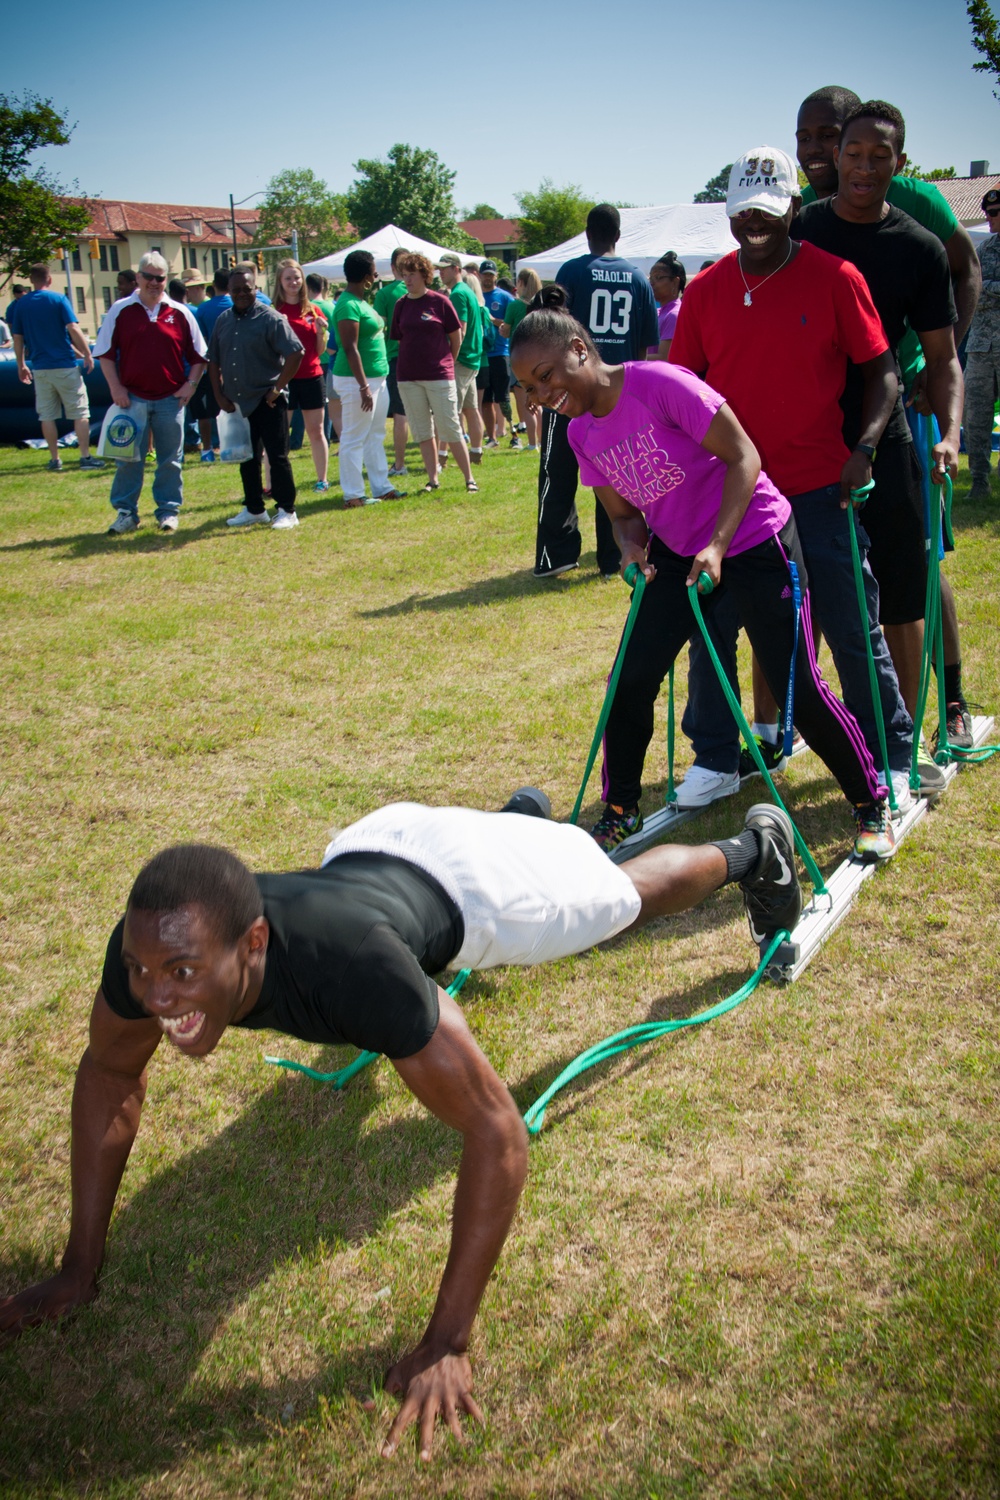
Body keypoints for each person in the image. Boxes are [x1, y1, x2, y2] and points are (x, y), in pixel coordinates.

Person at [0, 789, 802, 1458]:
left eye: (181, 973)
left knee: (622, 899)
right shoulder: (148, 945)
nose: (157, 996)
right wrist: (78, 1269)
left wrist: (448, 1342)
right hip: (373, 845)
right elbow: (110, 1073)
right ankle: (520, 814)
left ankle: (750, 851)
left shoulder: (352, 968)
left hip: (473, 886)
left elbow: (497, 1133)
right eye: (144, 972)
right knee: (393, 998)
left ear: (251, 943)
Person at [511, 292, 892, 861]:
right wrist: (631, 549)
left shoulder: (662, 384)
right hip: (678, 552)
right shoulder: (579, 435)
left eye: (545, 377)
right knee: (629, 681)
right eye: (530, 389)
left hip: (756, 538)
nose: (543, 396)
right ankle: (619, 811)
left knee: (798, 688)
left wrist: (717, 546)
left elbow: (745, 458)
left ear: (578, 348)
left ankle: (871, 802)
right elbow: (622, 516)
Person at [669, 147, 910, 828]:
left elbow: (882, 372)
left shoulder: (835, 277)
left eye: (769, 212)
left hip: (817, 487)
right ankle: (716, 757)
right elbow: (684, 392)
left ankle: (889, 748)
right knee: (715, 627)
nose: (755, 224)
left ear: (794, 209)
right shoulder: (707, 288)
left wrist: (863, 448)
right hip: (734, 495)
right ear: (729, 213)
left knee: (848, 623)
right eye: (744, 212)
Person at [795, 85, 980, 754]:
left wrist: (953, 430)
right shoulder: (803, 230)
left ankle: (912, 731)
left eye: (881, 156)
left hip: (889, 428)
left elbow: (942, 355)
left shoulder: (921, 242)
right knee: (812, 585)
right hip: (810, 435)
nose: (864, 166)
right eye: (853, 153)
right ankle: (803, 725)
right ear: (838, 155)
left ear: (900, 164)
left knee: (908, 579)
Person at [533, 204, 659, 580]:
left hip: (566, 389)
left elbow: (550, 332)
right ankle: (612, 558)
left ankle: (556, 556)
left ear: (587, 234)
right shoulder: (639, 279)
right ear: (619, 236)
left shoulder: (571, 271)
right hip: (614, 393)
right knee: (619, 474)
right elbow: (643, 349)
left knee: (558, 471)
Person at [94, 252, 207, 533]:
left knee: (171, 460)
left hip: (171, 399)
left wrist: (190, 386)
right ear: (139, 277)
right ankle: (125, 513)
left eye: (160, 278)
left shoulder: (180, 312)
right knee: (128, 459)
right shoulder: (121, 310)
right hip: (130, 399)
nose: (154, 283)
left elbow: (200, 356)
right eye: (149, 277)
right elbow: (105, 354)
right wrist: (116, 388)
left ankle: (168, 511)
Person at [208, 263, 303, 530]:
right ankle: (254, 508)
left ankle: (287, 510)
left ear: (255, 289)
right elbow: (212, 360)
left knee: (277, 456)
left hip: (267, 399)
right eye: (236, 290)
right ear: (228, 291)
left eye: (247, 289)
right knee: (246, 456)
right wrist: (219, 395)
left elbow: (296, 353)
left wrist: (277, 388)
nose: (241, 294)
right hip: (237, 402)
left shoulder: (270, 318)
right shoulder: (223, 320)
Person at [390, 253, 478, 494]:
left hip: (440, 374)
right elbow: (400, 338)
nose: (407, 280)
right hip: (408, 377)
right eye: (404, 275)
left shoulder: (440, 301)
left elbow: (455, 336)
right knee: (422, 431)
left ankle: (469, 478)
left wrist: (449, 360)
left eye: (412, 274)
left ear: (424, 275)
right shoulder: (401, 304)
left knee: (450, 428)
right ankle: (433, 478)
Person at [8, 263, 104, 472]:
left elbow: (18, 338)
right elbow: (73, 328)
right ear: (49, 279)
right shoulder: (59, 299)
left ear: (31, 280)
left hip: (40, 367)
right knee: (80, 413)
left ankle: (55, 459)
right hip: (65, 365)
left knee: (47, 415)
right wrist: (87, 353)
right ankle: (85, 457)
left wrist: (21, 365)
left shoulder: (21, 305)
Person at [330, 250, 402, 508]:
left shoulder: (361, 302)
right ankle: (353, 494)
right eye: (373, 270)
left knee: (374, 435)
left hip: (376, 378)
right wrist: (363, 387)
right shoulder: (348, 304)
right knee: (353, 436)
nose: (376, 273)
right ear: (366, 277)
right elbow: (349, 347)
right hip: (356, 381)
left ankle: (381, 487)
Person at [273, 258, 329, 494]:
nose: (293, 282)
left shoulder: (313, 310)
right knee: (277, 434)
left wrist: (320, 332)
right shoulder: (273, 311)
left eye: (297, 278)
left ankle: (322, 480)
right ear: (280, 282)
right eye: (288, 278)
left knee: (316, 431)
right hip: (284, 379)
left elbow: (320, 350)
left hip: (312, 376)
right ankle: (272, 483)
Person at [963, 187, 1000, 501]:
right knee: (975, 417)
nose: (989, 218)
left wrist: (987, 289)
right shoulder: (983, 251)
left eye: (995, 212)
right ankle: (979, 482)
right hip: (980, 348)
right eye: (987, 212)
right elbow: (971, 292)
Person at [436, 253, 485, 464]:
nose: (440, 272)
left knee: (449, 412)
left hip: (461, 359)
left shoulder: (457, 294)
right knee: (471, 409)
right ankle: (476, 451)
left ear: (457, 269)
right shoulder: (466, 290)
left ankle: (442, 456)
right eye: (439, 268)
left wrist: (450, 358)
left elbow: (460, 331)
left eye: (444, 268)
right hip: (471, 358)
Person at [373, 247, 411, 478]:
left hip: (395, 357)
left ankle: (399, 464)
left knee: (400, 413)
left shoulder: (385, 294)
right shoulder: (425, 291)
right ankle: (438, 461)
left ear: (392, 268)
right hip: (421, 358)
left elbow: (379, 328)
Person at [178, 269, 219, 460]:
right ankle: (207, 446)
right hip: (206, 367)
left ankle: (207, 447)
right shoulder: (198, 309)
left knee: (204, 411)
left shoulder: (199, 310)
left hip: (204, 367)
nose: (189, 293)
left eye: (192, 289)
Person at [500, 268, 542, 450]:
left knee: (525, 402)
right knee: (540, 403)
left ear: (522, 283)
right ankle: (541, 440)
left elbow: (506, 330)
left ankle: (532, 443)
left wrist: (501, 327)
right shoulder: (541, 304)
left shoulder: (515, 305)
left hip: (520, 359)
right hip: (540, 357)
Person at [478, 260, 516, 447]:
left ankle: (514, 433)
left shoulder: (505, 297)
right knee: (486, 399)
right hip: (482, 354)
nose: (488, 277)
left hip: (501, 351)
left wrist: (493, 320)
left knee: (503, 397)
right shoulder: (476, 296)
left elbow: (512, 321)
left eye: (491, 274)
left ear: (495, 275)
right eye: (485, 274)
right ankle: (492, 437)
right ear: (480, 275)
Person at [306, 273, 340, 446]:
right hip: (334, 358)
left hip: (318, 359)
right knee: (334, 402)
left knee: (324, 404)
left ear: (308, 288)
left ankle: (325, 435)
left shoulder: (309, 307)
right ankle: (334, 435)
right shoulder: (333, 306)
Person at [648, 252, 685, 360]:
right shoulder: (659, 312)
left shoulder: (674, 315)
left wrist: (629, 358)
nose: (652, 283)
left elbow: (664, 358)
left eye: (658, 277)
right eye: (651, 278)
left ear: (675, 282)